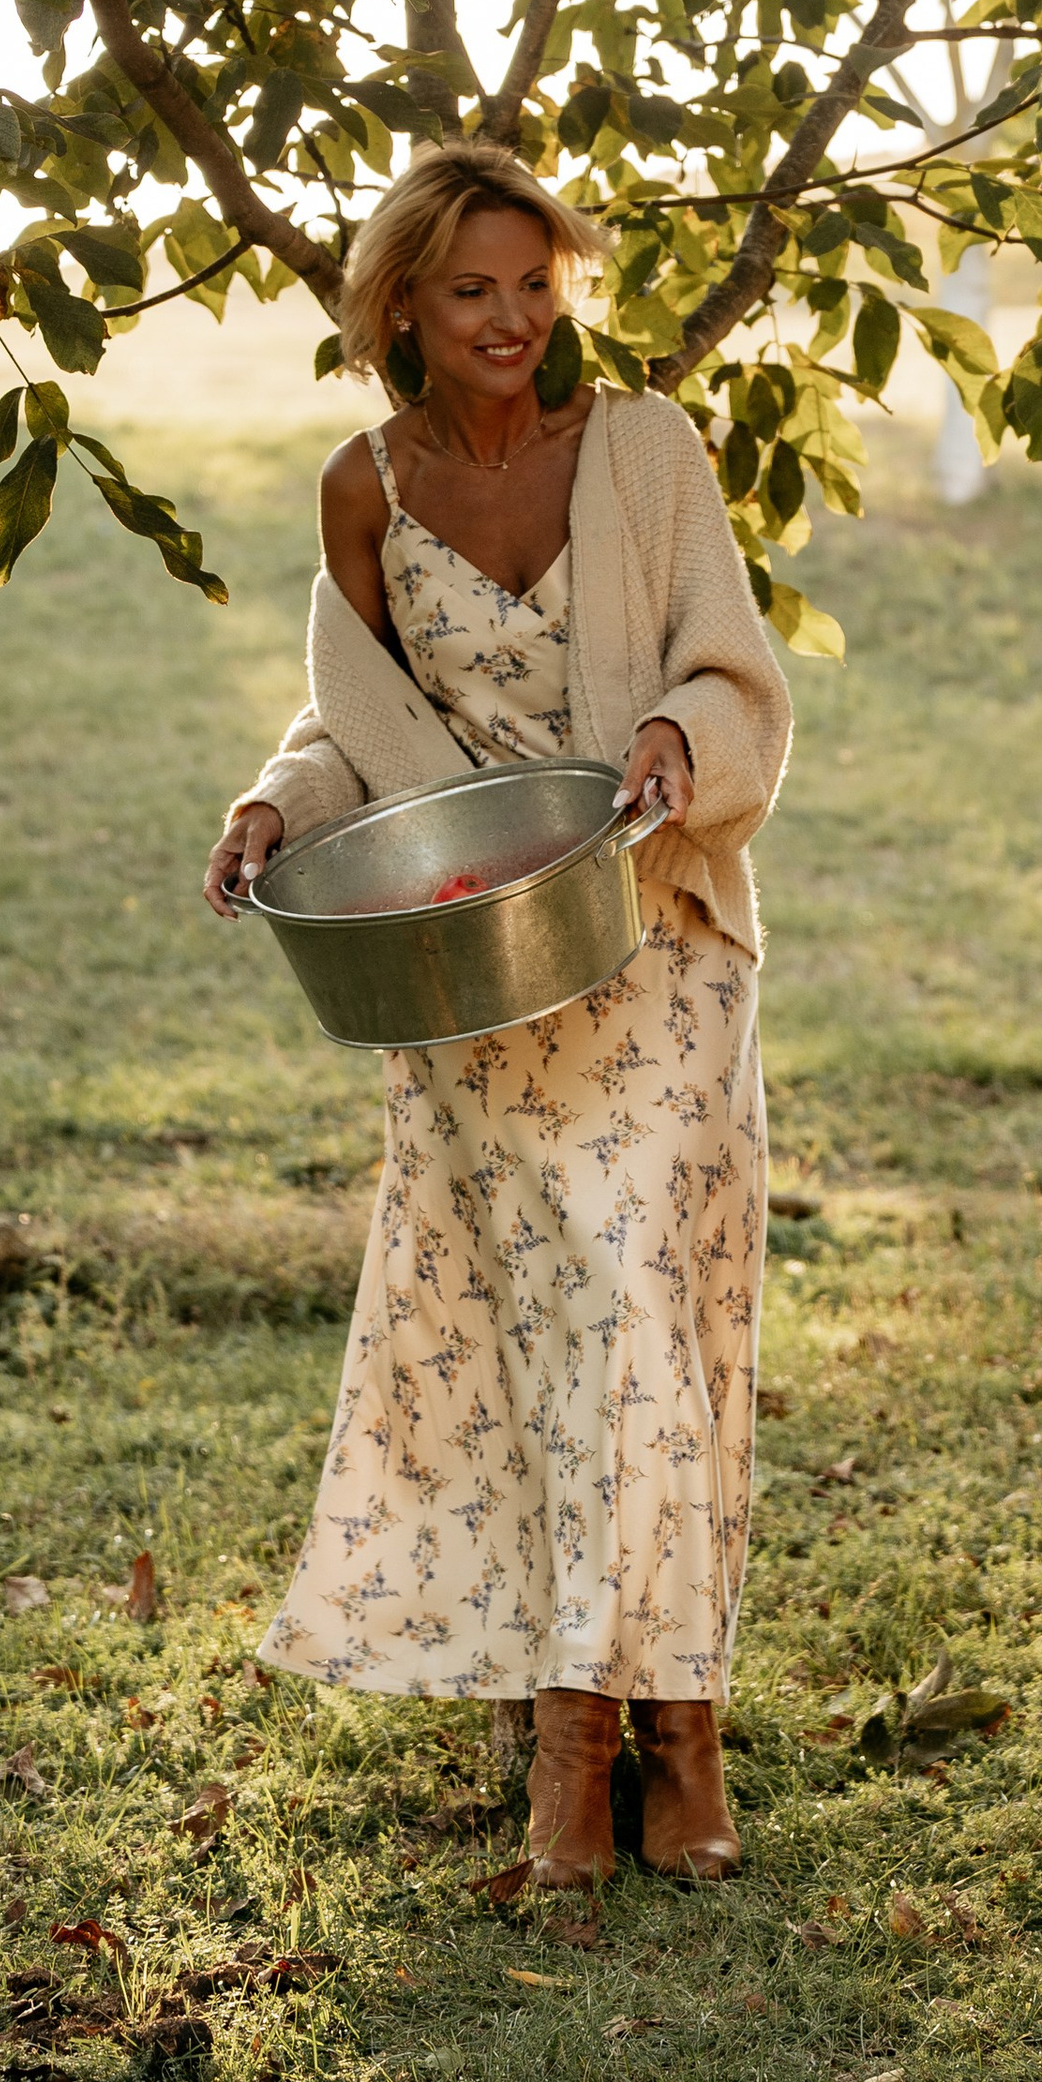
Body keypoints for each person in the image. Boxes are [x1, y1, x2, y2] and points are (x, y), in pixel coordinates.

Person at [203, 141, 792, 1894]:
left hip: (658, 932)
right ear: (401, 305)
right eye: (474, 291)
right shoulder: (364, 487)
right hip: (478, 976)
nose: (515, 319)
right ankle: (585, 1727)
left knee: (642, 1308)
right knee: (540, 1345)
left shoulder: (645, 451)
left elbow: (731, 664)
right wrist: (272, 808)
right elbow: (353, 726)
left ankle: (658, 1735)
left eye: (537, 284)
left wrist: (681, 732)